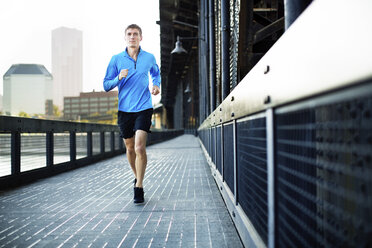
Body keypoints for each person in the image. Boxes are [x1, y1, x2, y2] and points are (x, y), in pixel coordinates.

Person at [103, 24, 161, 204]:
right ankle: (137, 176)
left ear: (141, 38)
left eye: (136, 34)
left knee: (139, 148)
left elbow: (156, 74)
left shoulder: (149, 57)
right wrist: (118, 78)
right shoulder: (116, 59)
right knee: (129, 148)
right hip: (124, 110)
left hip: (144, 107)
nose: (132, 37)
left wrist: (156, 85)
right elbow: (106, 85)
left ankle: (139, 187)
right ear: (125, 37)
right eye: (129, 34)